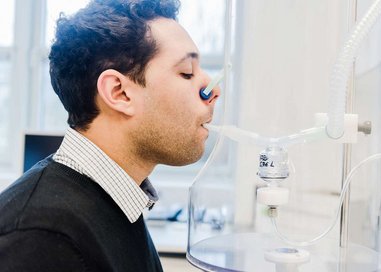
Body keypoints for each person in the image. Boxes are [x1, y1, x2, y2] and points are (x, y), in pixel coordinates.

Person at [0, 0, 220, 271]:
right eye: (187, 73)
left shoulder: (118, 203)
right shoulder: (41, 237)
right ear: (119, 92)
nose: (212, 90)